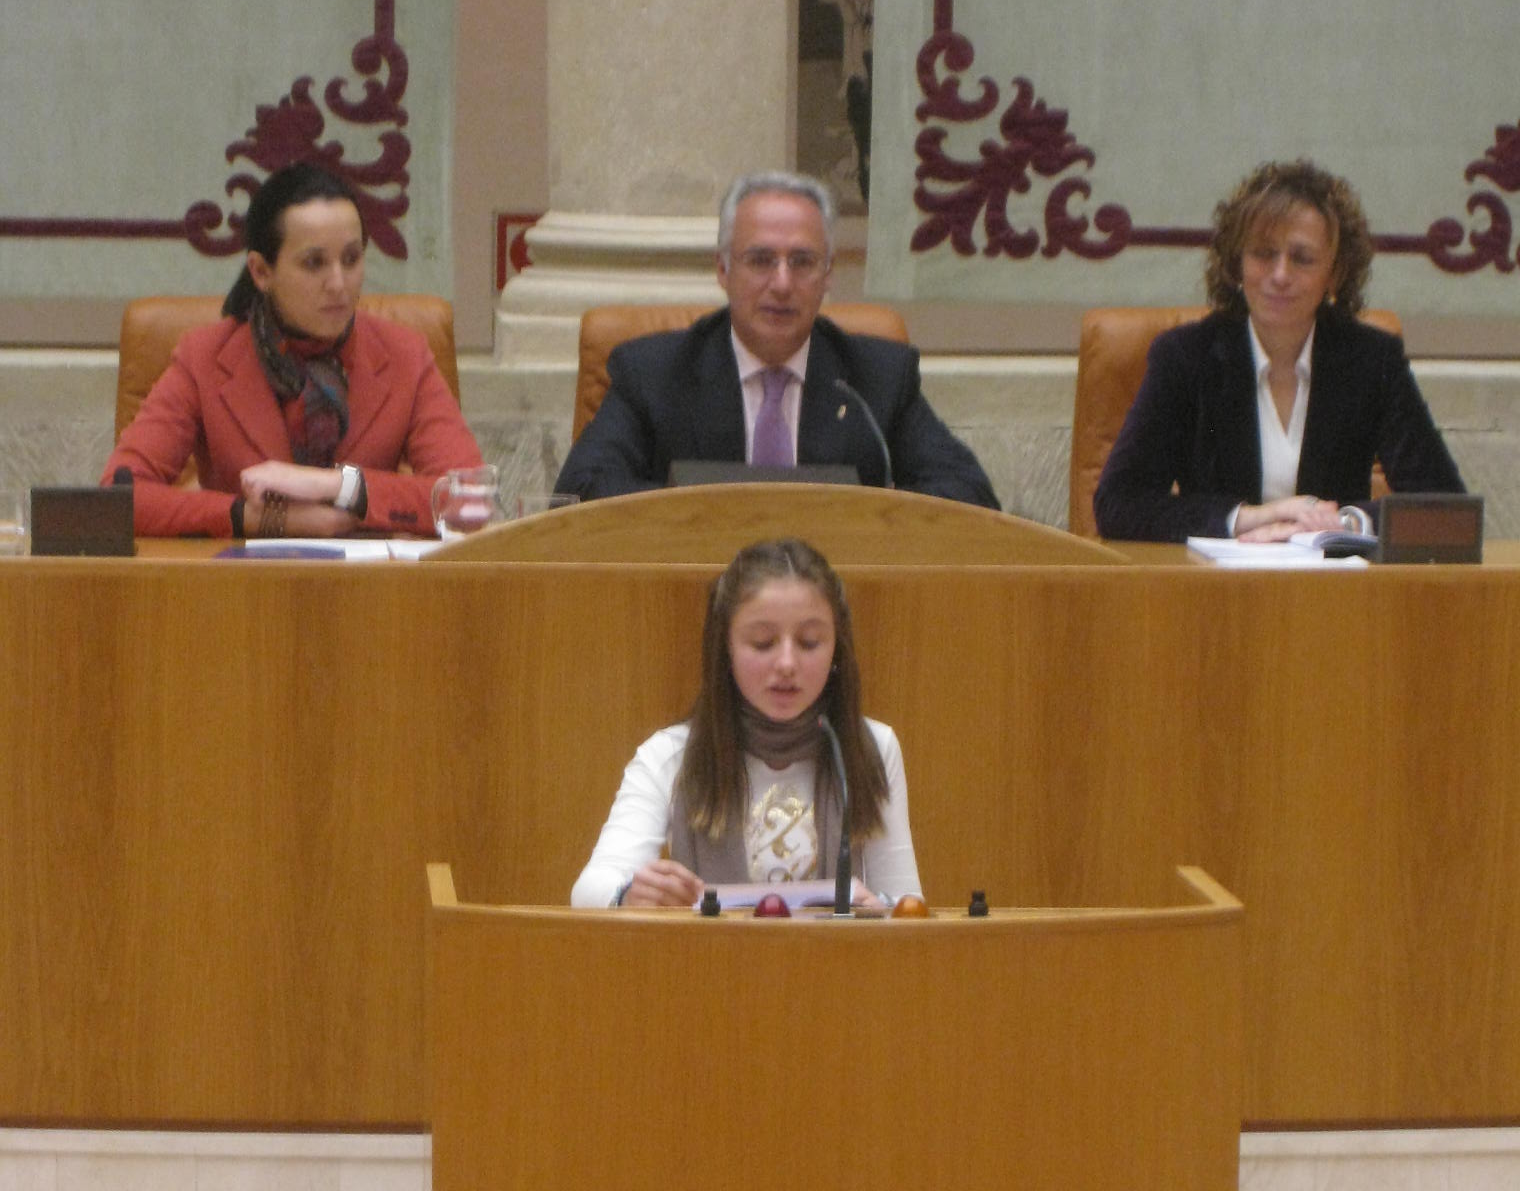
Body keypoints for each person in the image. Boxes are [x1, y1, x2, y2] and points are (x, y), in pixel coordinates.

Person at [554, 170, 999, 508]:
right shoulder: (653, 373)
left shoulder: (877, 377)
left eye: (802, 262)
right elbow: (582, 489)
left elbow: (968, 494)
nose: (782, 284)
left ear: (828, 276)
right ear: (723, 269)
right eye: (761, 260)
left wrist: (866, 521)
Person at [103, 162, 483, 538]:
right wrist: (256, 519)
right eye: (314, 263)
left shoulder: (405, 355)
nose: (338, 283)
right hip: (240, 590)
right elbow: (117, 497)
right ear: (261, 272)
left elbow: (471, 502)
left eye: (351, 259)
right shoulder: (203, 357)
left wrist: (339, 487)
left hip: (369, 591)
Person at [1092, 158, 1465, 543]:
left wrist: (1347, 524)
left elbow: (1447, 509)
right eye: (1263, 254)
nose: (1280, 275)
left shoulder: (1371, 360)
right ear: (1236, 264)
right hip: (1217, 590)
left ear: (1334, 274)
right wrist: (1247, 519)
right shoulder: (1186, 357)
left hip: (1334, 589)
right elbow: (1118, 504)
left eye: (1302, 259)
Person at [572, 537, 922, 909]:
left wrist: (879, 908)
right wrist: (629, 895)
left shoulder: (874, 746)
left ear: (837, 648)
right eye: (762, 642)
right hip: (704, 964)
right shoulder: (670, 754)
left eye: (808, 642)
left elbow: (908, 903)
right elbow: (589, 890)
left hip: (835, 964)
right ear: (727, 647)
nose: (787, 663)